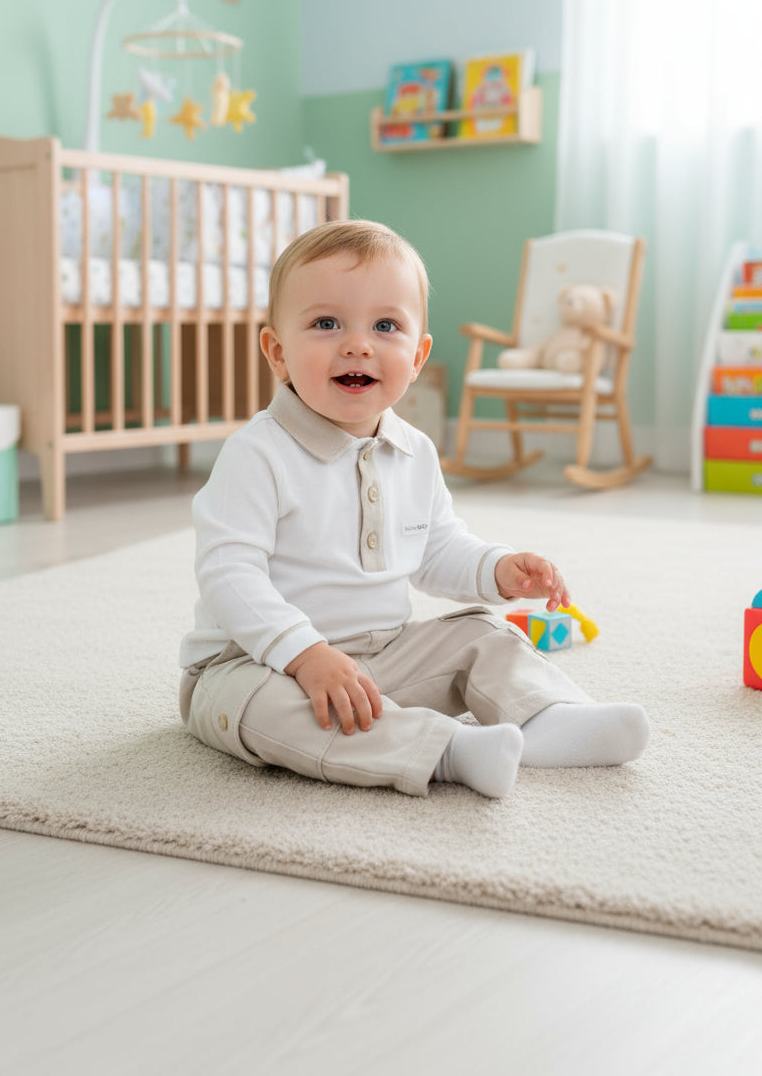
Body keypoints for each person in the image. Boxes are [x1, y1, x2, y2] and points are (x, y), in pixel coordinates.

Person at [179, 220, 650, 799]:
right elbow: (229, 576)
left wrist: (498, 569)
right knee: (265, 709)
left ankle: (547, 718)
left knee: (482, 632)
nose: (358, 344)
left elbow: (436, 549)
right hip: (255, 662)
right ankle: (446, 750)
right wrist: (304, 654)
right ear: (277, 351)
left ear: (418, 355)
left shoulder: (414, 451)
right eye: (326, 324)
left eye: (386, 325)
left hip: (383, 654)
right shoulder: (258, 453)